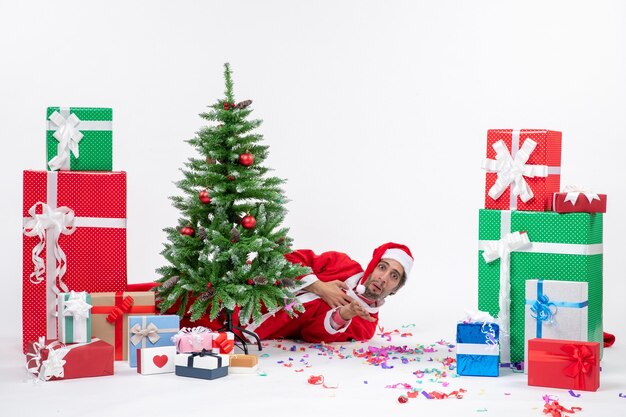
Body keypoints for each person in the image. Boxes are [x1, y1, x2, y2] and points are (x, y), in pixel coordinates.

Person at [245, 242, 413, 343]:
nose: (383, 278)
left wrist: (344, 314)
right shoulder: (341, 263)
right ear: (372, 266)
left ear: (396, 288)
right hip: (242, 285)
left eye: (394, 276)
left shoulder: (366, 325)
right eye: (382, 267)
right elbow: (287, 258)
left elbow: (310, 334)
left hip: (245, 331)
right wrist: (317, 286)